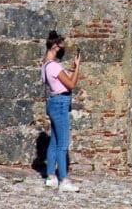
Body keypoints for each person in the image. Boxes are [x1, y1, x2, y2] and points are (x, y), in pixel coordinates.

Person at [42, 30, 80, 193]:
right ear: (56, 46)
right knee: (63, 143)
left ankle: (51, 176)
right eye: (62, 46)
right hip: (61, 103)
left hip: (53, 101)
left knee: (54, 142)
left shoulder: (45, 65)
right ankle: (64, 179)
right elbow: (71, 85)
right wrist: (77, 68)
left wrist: (70, 71)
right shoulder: (55, 66)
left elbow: (61, 81)